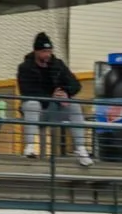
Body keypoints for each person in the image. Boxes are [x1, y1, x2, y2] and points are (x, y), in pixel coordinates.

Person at [15, 30, 92, 166]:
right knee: (32, 104)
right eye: (44, 52)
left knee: (74, 105)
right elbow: (26, 91)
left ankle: (81, 149)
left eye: (49, 51)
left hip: (53, 108)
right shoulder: (25, 67)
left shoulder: (57, 64)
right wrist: (51, 96)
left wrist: (65, 92)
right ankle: (30, 147)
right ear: (36, 52)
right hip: (37, 111)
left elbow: (75, 84)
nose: (47, 55)